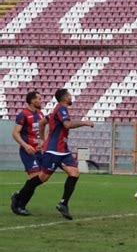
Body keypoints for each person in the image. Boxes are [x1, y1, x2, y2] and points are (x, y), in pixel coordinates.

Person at [12, 89, 94, 220]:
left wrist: (43, 140)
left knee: (74, 173)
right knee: (41, 178)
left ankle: (63, 203)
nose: (71, 97)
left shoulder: (54, 111)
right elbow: (66, 125)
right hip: (54, 150)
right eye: (70, 95)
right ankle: (19, 197)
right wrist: (84, 122)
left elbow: (42, 122)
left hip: (62, 149)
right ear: (65, 97)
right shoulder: (61, 108)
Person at [10, 91, 46, 216]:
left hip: (40, 151)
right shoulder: (23, 114)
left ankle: (17, 196)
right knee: (35, 177)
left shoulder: (41, 114)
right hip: (28, 151)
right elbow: (15, 133)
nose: (41, 101)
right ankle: (20, 206)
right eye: (39, 99)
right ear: (32, 101)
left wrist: (43, 141)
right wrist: (25, 146)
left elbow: (42, 130)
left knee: (41, 178)